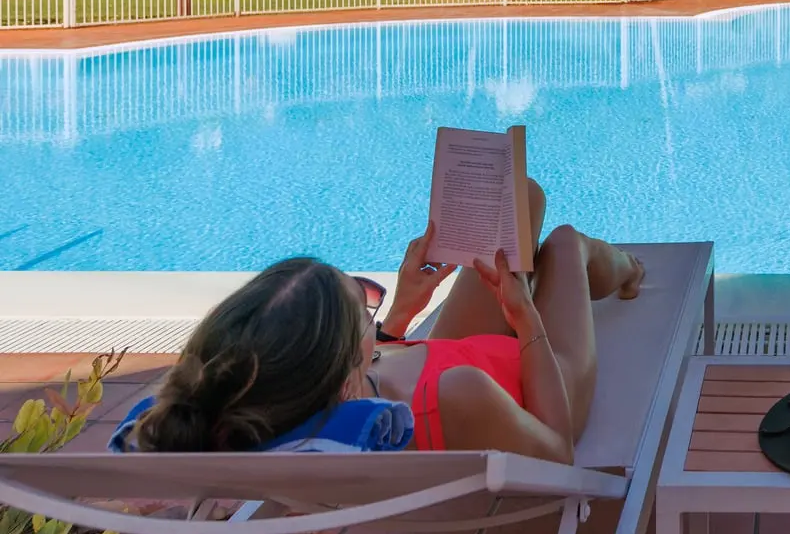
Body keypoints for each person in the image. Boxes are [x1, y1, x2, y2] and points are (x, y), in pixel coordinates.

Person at [120, 178, 643, 462]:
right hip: (541, 380)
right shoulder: (461, 396)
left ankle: (555, 274)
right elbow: (557, 450)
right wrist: (526, 319)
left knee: (519, 198)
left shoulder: (307, 405)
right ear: (345, 364)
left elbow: (371, 370)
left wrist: (400, 315)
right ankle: (630, 272)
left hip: (445, 363)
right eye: (362, 305)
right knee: (564, 244)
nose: (372, 306)